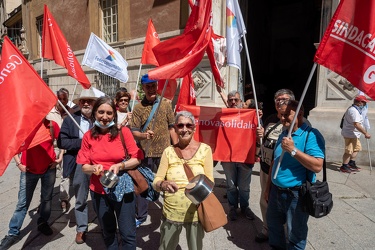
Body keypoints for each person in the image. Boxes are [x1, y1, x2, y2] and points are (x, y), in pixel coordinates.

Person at [77, 97, 144, 249]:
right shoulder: (88, 136)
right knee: (107, 232)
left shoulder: (123, 132)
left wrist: (120, 165)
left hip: (123, 189)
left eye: (109, 113)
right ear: (95, 113)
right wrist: (94, 168)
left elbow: (137, 159)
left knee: (128, 233)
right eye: (101, 112)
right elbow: (84, 166)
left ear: (114, 114)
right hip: (99, 191)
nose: (105, 117)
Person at [266, 100, 325, 250]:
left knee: (295, 234)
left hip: (296, 195)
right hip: (276, 192)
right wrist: (268, 189)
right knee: (274, 228)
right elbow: (274, 162)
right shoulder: (284, 134)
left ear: (300, 114)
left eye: (286, 115)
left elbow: (317, 165)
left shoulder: (311, 134)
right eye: (280, 115)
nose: (282, 119)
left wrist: (293, 150)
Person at [153, 111, 213, 250]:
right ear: (175, 128)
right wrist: (163, 184)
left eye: (188, 125)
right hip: (172, 211)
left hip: (196, 212)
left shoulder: (205, 150)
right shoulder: (168, 151)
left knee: (195, 247)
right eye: (180, 125)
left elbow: (210, 181)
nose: (184, 129)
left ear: (194, 127)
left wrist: (195, 188)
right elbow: (156, 181)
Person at [0, 119, 62, 250]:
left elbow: (62, 142)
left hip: (48, 169)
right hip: (28, 171)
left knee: (46, 199)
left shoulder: (51, 125)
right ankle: (13, 233)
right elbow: (13, 145)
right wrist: (18, 163)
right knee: (22, 203)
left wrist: (59, 158)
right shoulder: (23, 126)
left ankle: (43, 222)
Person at [130, 74, 178, 227]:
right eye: (147, 86)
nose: (150, 89)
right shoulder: (138, 108)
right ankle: (141, 215)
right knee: (143, 185)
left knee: (167, 184)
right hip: (146, 153)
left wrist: (177, 148)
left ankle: (170, 212)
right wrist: (143, 136)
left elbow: (172, 127)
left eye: (153, 85)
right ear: (143, 88)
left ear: (157, 86)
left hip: (165, 153)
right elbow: (134, 131)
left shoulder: (166, 104)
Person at [57, 88, 97, 244]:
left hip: (99, 164)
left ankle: (105, 225)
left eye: (89, 101)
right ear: (79, 103)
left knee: (99, 197)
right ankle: (81, 228)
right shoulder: (70, 119)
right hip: (80, 163)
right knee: (80, 197)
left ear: (94, 103)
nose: (86, 103)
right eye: (83, 101)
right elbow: (62, 142)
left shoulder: (100, 118)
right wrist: (83, 143)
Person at [221, 90, 255, 221]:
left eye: (236, 99)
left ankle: (245, 207)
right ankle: (232, 208)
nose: (233, 102)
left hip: (245, 158)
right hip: (228, 158)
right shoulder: (222, 116)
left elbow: (258, 134)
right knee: (230, 185)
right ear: (228, 102)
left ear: (240, 101)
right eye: (230, 100)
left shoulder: (251, 115)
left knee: (244, 187)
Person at [340, 95, 371, 173]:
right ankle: (344, 166)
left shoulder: (357, 110)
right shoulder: (353, 111)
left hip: (355, 134)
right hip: (350, 134)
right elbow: (356, 124)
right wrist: (365, 133)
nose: (365, 104)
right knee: (349, 151)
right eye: (364, 103)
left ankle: (351, 163)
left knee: (357, 148)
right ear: (360, 102)